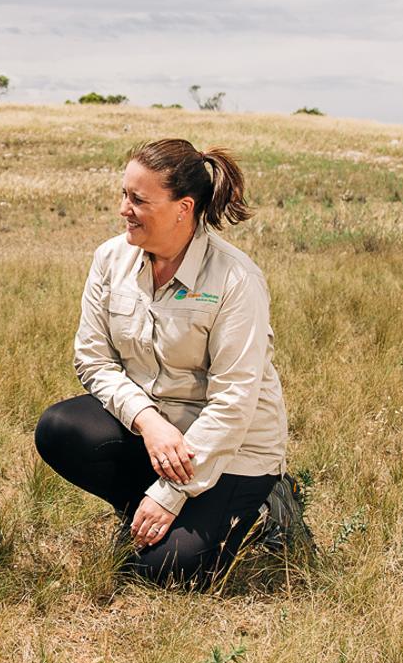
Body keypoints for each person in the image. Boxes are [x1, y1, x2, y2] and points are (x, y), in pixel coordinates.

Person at [33, 138, 290, 588]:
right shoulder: (110, 258)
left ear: (182, 208)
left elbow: (233, 402)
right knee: (58, 428)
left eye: (138, 199)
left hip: (232, 450)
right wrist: (148, 421)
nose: (123, 209)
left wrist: (173, 493)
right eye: (123, 195)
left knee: (165, 572)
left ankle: (268, 505)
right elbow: (92, 359)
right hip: (160, 433)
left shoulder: (235, 279)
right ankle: (142, 510)